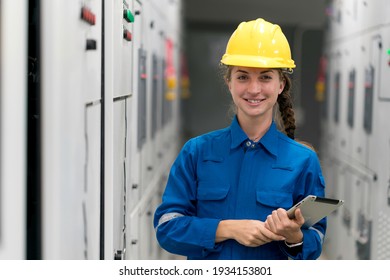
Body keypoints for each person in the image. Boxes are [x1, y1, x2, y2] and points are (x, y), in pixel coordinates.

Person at [153, 18, 326, 260]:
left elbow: (316, 239)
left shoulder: (303, 160)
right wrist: (227, 228)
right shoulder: (197, 152)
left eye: (265, 77)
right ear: (229, 83)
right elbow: (166, 228)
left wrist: (293, 236)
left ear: (280, 84)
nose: (254, 89)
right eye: (243, 77)